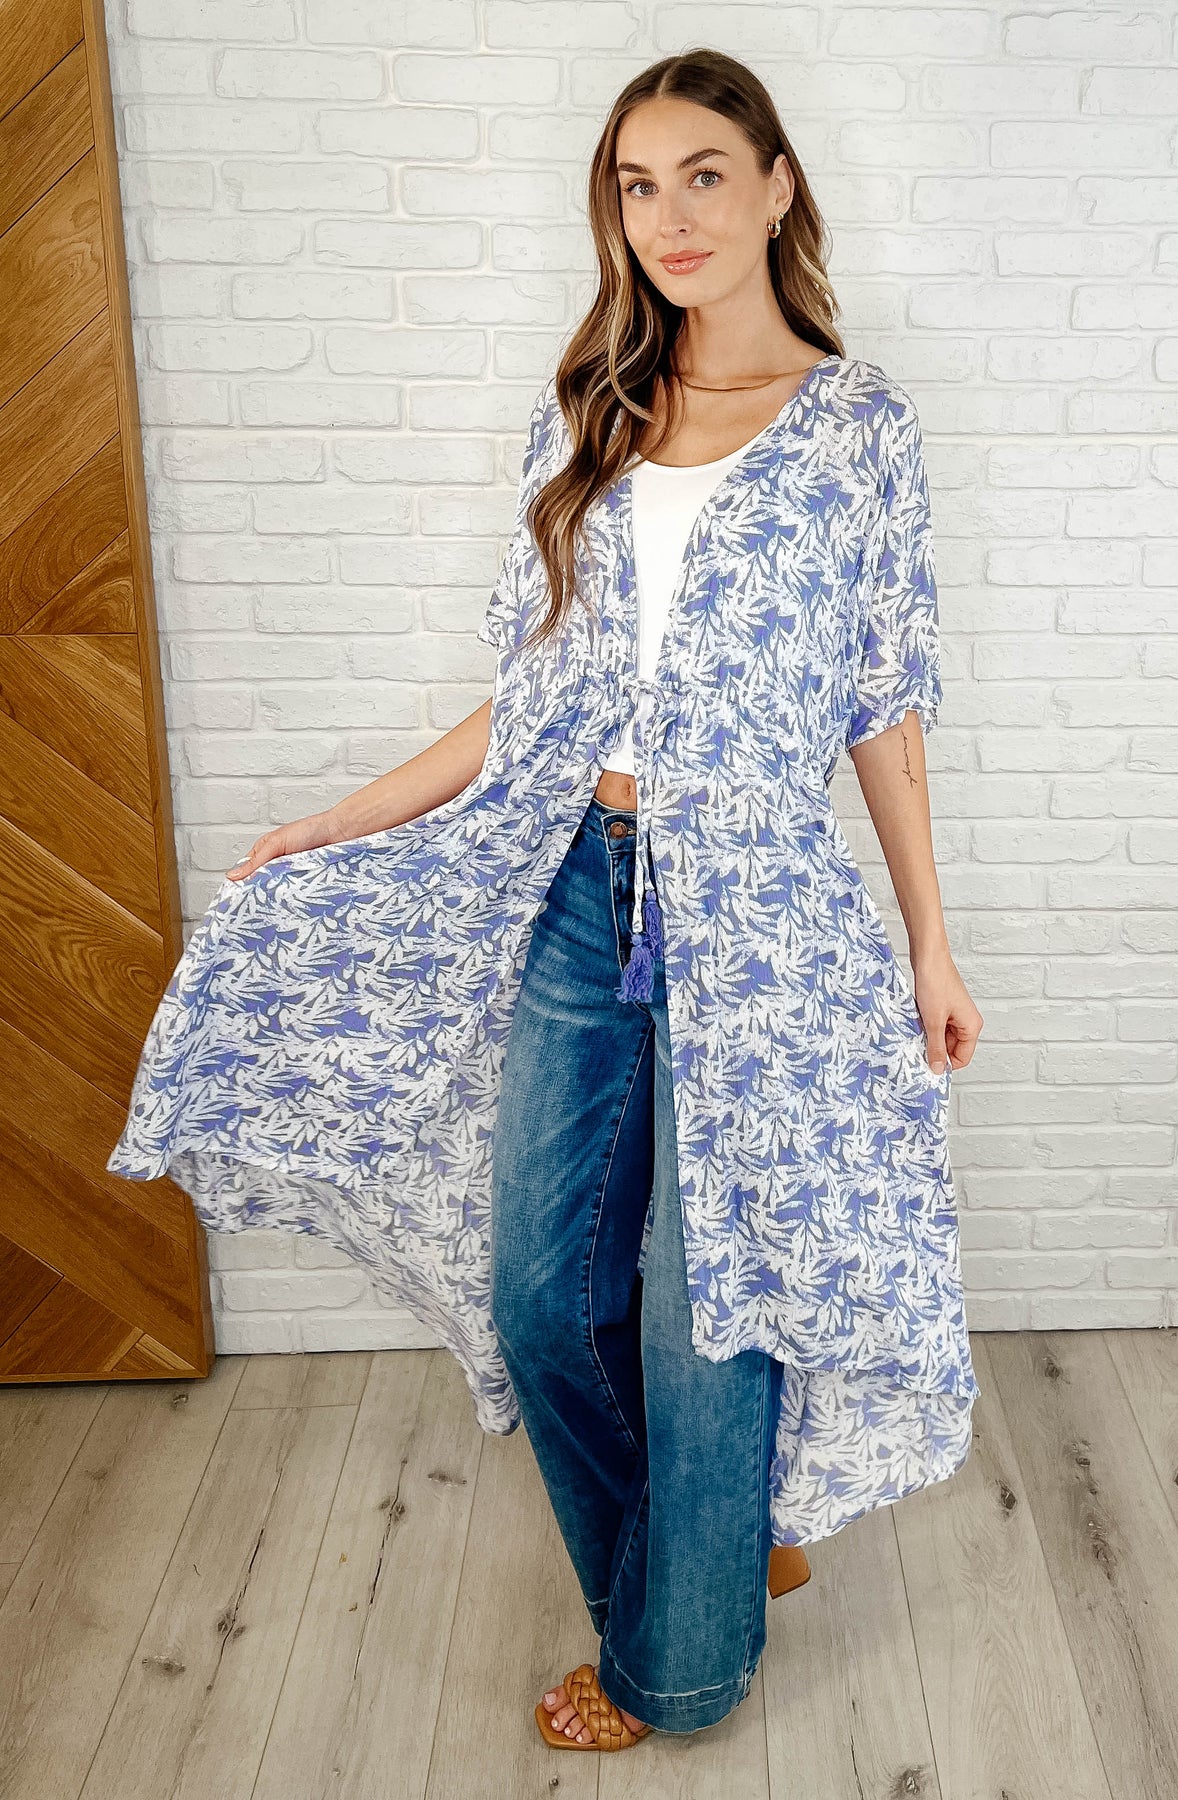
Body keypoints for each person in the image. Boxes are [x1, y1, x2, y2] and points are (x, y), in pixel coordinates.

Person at [108, 48, 983, 1754]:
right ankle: (719, 1547)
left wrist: (929, 942)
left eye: (704, 174)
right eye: (636, 186)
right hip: (573, 879)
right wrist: (342, 817)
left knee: (714, 1303)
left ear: (777, 187)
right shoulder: (590, 405)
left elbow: (884, 700)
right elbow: (530, 693)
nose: (669, 216)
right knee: (544, 1290)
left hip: (765, 908)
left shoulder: (857, 427)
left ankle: (677, 1663)